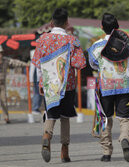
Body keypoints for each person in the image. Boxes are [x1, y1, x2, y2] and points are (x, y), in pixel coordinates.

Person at [32, 8, 86, 163]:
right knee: (65, 117)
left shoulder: (42, 39)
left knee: (51, 114)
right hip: (67, 85)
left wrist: (41, 81)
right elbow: (80, 63)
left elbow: (37, 62)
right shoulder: (71, 40)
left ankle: (47, 136)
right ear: (67, 23)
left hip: (49, 84)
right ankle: (64, 152)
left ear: (51, 22)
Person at [87, 13, 129, 162]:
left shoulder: (96, 46)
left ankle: (106, 152)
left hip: (105, 87)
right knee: (125, 118)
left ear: (102, 27)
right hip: (124, 86)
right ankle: (124, 138)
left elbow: (93, 64)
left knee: (105, 118)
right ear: (117, 26)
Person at [0, 45, 27, 124]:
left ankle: (6, 117)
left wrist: (26, 64)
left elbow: (15, 62)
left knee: (4, 100)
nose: (0, 55)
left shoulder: (6, 61)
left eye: (1, 53)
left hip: (2, 84)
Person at [29, 50, 43, 115]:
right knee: (37, 94)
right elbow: (31, 72)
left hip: (39, 80)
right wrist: (31, 81)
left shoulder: (39, 61)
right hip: (36, 81)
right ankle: (35, 108)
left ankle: (37, 108)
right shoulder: (33, 62)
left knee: (40, 95)